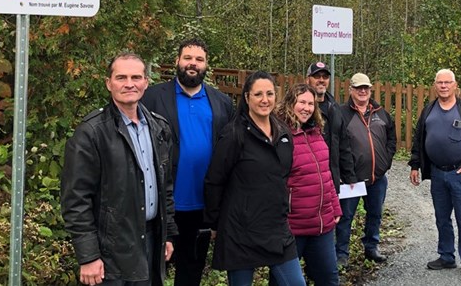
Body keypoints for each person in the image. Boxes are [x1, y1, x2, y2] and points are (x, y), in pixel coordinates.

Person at [61, 52, 177, 286]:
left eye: (136, 77)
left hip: (150, 240)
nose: (129, 84)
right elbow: (76, 199)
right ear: (108, 83)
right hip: (110, 250)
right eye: (121, 77)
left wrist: (167, 234)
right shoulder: (92, 133)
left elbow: (165, 187)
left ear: (146, 82)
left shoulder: (159, 128)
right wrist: (88, 255)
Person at [141, 38, 234, 286]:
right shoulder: (152, 98)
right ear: (177, 62)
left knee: (191, 272)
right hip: (163, 205)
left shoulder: (222, 103)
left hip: (201, 206)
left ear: (206, 65)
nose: (193, 64)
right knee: (153, 272)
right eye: (188, 58)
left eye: (199, 59)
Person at [203, 71, 305, 286]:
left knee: (295, 283)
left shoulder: (283, 132)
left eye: (269, 93)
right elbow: (214, 181)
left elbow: (283, 176)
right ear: (247, 97)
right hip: (240, 230)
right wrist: (213, 222)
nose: (264, 99)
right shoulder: (233, 134)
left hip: (276, 227)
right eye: (258, 94)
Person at [409, 69, 461, 280]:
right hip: (437, 173)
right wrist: (415, 165)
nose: (443, 86)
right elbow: (418, 139)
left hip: (460, 174)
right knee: (441, 218)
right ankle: (446, 256)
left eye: (447, 82)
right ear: (435, 86)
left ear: (455, 86)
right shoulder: (428, 111)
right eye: (440, 83)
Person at [275, 83, 342, 286]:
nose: (307, 108)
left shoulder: (316, 133)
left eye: (311, 103)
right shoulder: (280, 135)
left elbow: (325, 174)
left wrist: (335, 207)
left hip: (322, 225)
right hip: (292, 226)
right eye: (301, 102)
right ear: (290, 103)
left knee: (329, 279)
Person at [333, 73, 396, 266]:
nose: (362, 91)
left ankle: (371, 247)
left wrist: (385, 163)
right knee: (346, 217)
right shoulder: (341, 113)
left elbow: (391, 139)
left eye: (366, 88)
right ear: (351, 90)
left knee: (375, 213)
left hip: (377, 178)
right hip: (352, 179)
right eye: (358, 88)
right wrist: (347, 174)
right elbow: (336, 145)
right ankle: (341, 253)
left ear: (370, 90)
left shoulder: (381, 113)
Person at [306, 61, 356, 193]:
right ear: (307, 79)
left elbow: (343, 144)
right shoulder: (303, 109)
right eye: (317, 76)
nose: (321, 80)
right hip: (308, 179)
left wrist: (349, 175)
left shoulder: (334, 107)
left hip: (331, 178)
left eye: (325, 77)